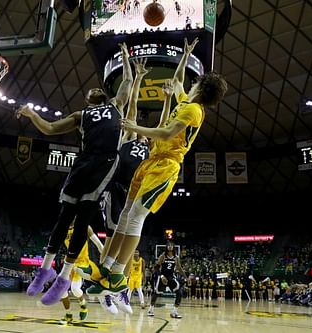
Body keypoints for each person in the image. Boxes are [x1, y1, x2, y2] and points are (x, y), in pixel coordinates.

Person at [89, 37, 228, 295]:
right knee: (125, 214)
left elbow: (165, 133)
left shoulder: (194, 111)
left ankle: (119, 273)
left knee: (136, 216)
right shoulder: (186, 102)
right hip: (151, 163)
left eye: (196, 80)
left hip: (166, 166)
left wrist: (135, 127)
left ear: (200, 85)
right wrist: (185, 55)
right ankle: (106, 267)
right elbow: (176, 82)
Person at [16, 42, 133, 306]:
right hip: (83, 163)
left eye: (96, 87)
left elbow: (127, 81)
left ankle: (64, 277)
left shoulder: (116, 105)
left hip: (104, 164)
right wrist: (31, 113)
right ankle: (45, 269)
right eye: (89, 90)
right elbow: (48, 128)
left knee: (83, 220)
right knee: (64, 217)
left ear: (102, 94)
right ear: (88, 100)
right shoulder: (80, 115)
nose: (93, 88)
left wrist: (125, 57)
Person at [97, 58, 151, 313]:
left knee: (131, 244)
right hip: (116, 190)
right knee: (111, 237)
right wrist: (138, 77)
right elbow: (132, 109)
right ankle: (104, 289)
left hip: (134, 194)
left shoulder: (149, 148)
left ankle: (122, 290)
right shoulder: (128, 135)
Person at [59, 223, 103, 324]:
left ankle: (83, 306)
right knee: (61, 290)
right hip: (69, 261)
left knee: (75, 289)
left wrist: (104, 255)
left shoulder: (84, 226)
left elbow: (99, 244)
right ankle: (68, 315)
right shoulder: (63, 228)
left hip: (82, 262)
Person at [147, 241, 187, 318]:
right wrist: (161, 276)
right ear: (166, 247)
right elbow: (156, 267)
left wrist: (186, 277)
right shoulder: (163, 256)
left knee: (179, 293)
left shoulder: (176, 257)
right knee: (156, 293)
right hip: (163, 277)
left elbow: (179, 268)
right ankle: (150, 309)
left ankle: (174, 312)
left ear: (173, 247)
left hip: (171, 278)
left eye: (171, 245)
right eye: (168, 245)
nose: (170, 246)